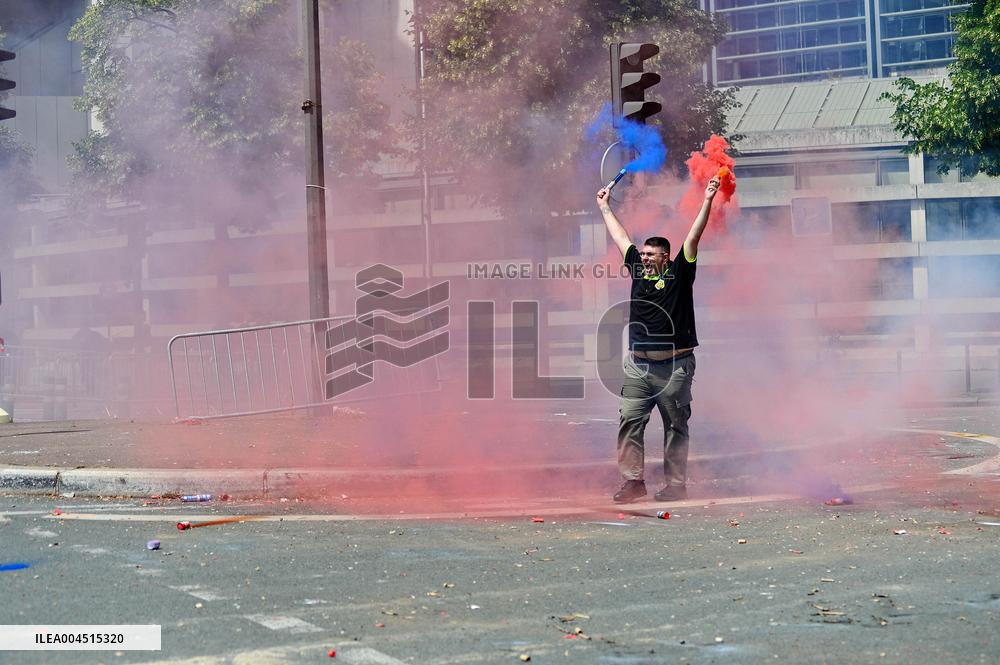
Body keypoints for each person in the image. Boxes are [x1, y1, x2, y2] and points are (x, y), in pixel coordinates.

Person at [596, 176, 720, 503]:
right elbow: (621, 237)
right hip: (638, 366)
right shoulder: (637, 269)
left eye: (652, 254)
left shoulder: (680, 272)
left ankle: (676, 484)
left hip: (675, 368)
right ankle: (633, 482)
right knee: (629, 420)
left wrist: (707, 199)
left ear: (666, 257)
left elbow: (694, 235)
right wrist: (605, 206)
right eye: (644, 253)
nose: (646, 258)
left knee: (676, 427)